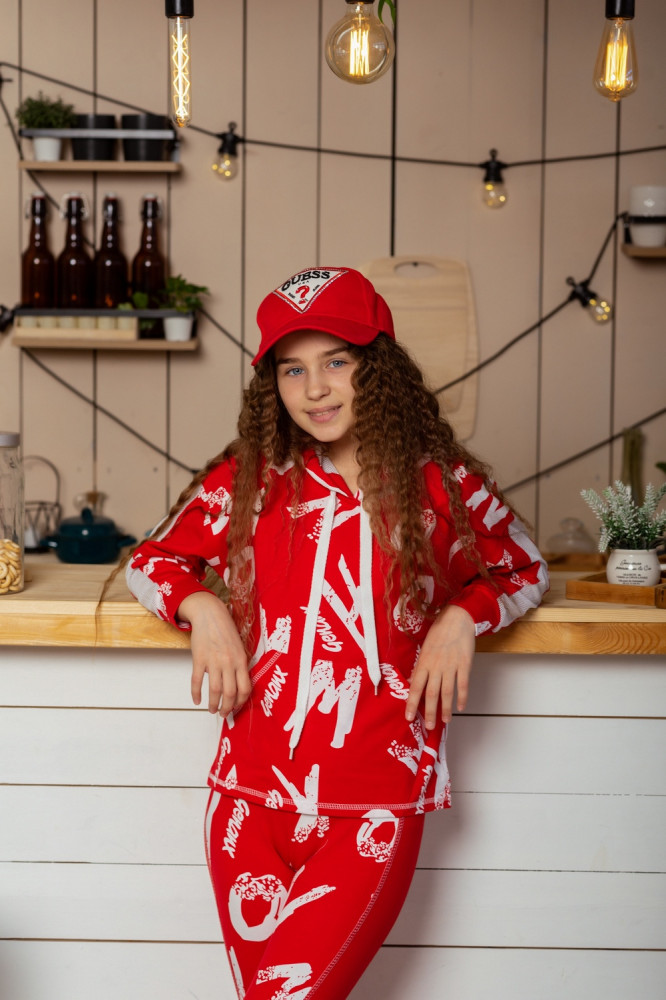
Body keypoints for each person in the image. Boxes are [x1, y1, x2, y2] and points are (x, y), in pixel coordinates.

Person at [125, 265, 549, 1000]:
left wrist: (462, 616)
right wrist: (204, 609)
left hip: (374, 803)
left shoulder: (440, 482)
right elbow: (152, 561)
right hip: (247, 799)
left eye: (336, 362)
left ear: (376, 367)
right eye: (292, 369)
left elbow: (524, 568)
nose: (315, 389)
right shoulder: (250, 478)